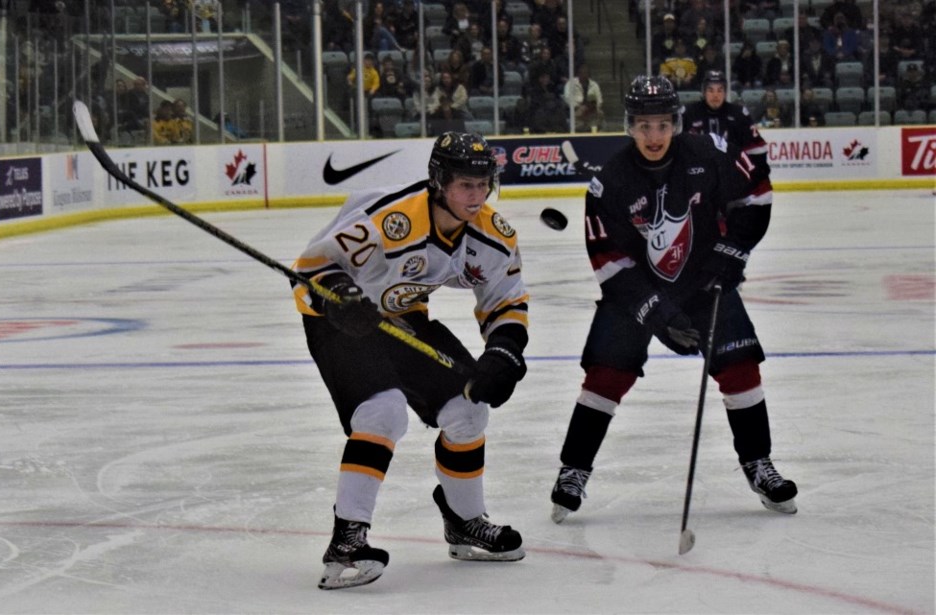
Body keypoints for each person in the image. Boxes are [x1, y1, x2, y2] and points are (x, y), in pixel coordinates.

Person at [548, 75, 797, 525]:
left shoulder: (709, 155)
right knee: (606, 373)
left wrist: (730, 254)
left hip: (705, 284)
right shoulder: (610, 183)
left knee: (740, 365)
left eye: (662, 125)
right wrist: (658, 314)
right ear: (629, 127)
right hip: (636, 294)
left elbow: (756, 195)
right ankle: (573, 470)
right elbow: (610, 262)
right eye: (644, 126)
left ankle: (758, 464)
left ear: (676, 123)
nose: (654, 136)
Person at [294, 132, 529, 590]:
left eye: (484, 185)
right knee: (381, 414)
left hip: (403, 318)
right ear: (439, 181)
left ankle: (463, 522)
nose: (476, 196)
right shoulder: (391, 218)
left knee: (468, 411)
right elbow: (312, 268)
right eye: (465, 185)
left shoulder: (491, 235)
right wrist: (339, 295)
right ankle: (346, 542)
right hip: (340, 322)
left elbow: (506, 303)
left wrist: (503, 352)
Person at [682, 71, 767, 170]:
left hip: (731, 176)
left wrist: (755, 175)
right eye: (711, 90)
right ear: (704, 92)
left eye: (720, 90)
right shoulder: (688, 114)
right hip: (697, 176)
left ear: (725, 93)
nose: (715, 95)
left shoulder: (739, 115)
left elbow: (757, 148)